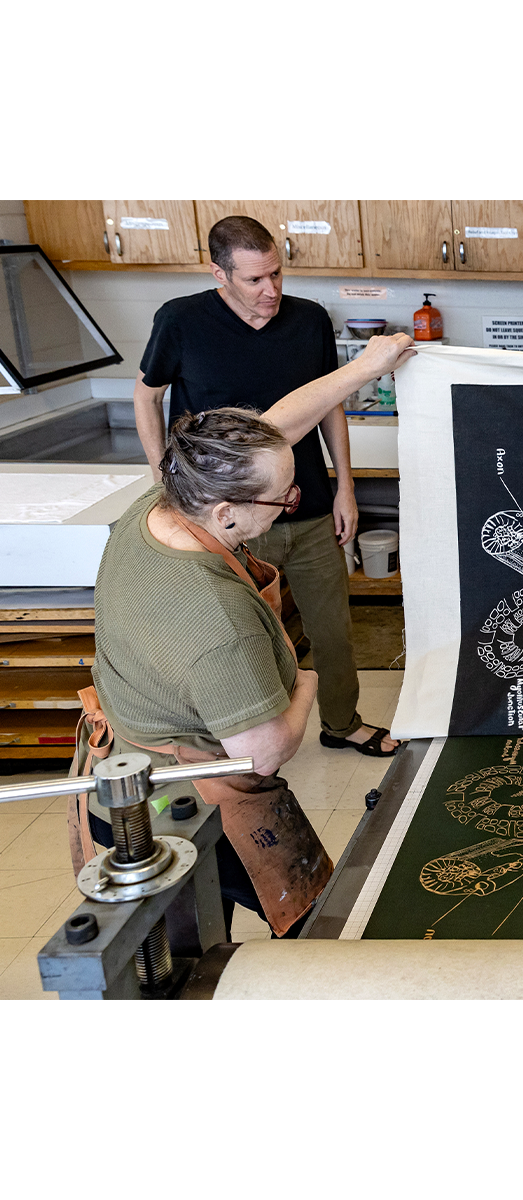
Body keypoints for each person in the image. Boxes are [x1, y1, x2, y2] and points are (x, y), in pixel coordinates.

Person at [71, 334, 416, 939]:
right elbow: (261, 753)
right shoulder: (216, 618)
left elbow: (277, 428)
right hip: (180, 803)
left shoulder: (166, 501)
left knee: (196, 931)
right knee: (261, 933)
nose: (289, 503)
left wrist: (367, 367)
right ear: (227, 512)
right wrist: (304, 683)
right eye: (285, 499)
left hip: (115, 760)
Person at [132, 214, 398, 757]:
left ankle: (341, 723)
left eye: (276, 274)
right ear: (220, 274)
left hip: (309, 506)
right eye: (254, 279)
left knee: (332, 630)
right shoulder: (180, 320)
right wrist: (165, 476)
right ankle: (246, 745)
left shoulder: (309, 320)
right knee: (241, 640)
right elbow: (146, 395)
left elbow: (330, 405)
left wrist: (344, 486)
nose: (270, 290)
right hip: (228, 519)